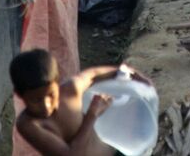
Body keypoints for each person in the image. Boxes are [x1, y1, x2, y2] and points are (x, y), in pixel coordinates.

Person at [12, 49, 153, 155]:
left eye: (51, 95)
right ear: (19, 95)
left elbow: (93, 75)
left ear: (58, 82)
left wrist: (131, 74)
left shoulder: (70, 91)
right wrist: (92, 115)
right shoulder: (29, 125)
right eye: (35, 100)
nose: (45, 105)